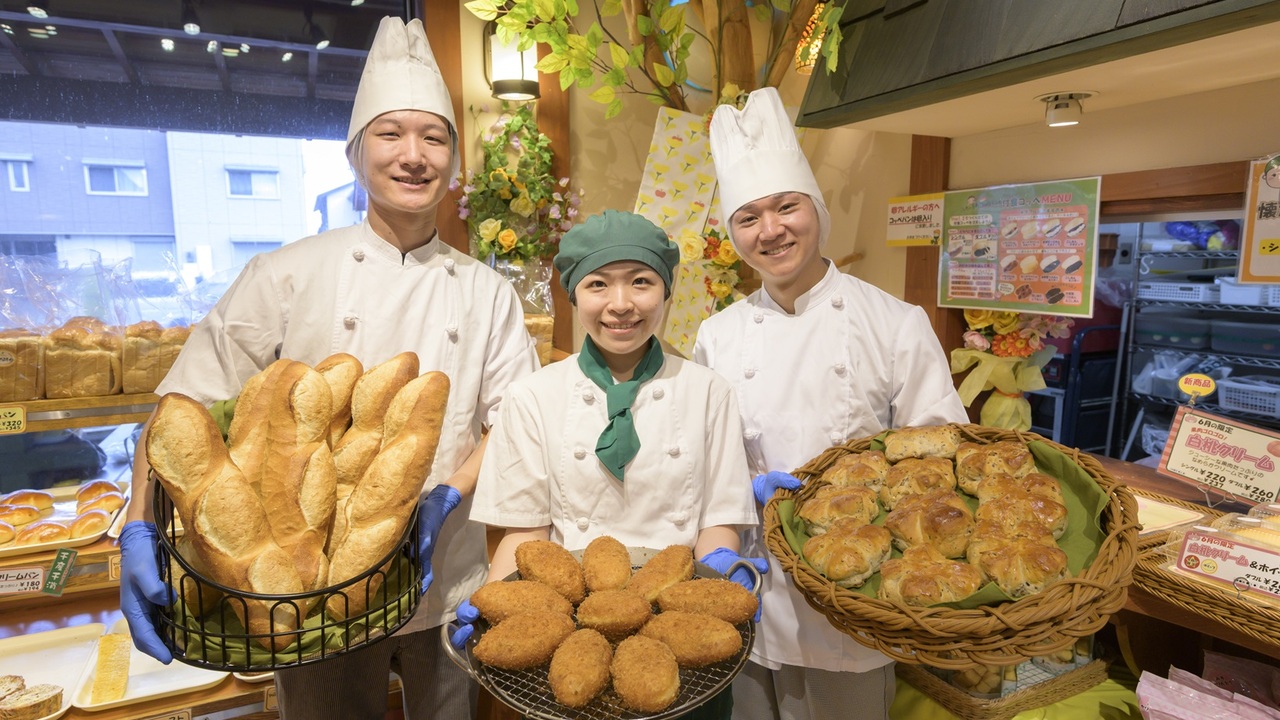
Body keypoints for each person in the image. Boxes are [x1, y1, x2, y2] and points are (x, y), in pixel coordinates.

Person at [116, 16, 540, 720]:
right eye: (391, 134)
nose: (414, 155)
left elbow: (513, 420)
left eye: (434, 137)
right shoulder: (285, 274)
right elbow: (182, 405)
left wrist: (446, 495)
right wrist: (138, 526)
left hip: (446, 574)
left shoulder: (486, 290)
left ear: (454, 160)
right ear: (355, 153)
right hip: (305, 591)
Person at [694, 87, 969, 720]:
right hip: (749, 581)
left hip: (855, 594)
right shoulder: (719, 334)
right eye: (748, 218)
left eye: (787, 207)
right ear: (732, 234)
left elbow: (940, 460)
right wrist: (737, 504)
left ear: (815, 207)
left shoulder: (894, 322)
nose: (771, 230)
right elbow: (705, 460)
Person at [461, 210, 765, 719]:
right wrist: (494, 597)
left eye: (641, 283)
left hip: (680, 634)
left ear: (666, 293)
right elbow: (524, 535)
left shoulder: (708, 391)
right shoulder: (532, 396)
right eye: (598, 284)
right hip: (566, 633)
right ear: (574, 296)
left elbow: (720, 518)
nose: (621, 305)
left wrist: (717, 574)